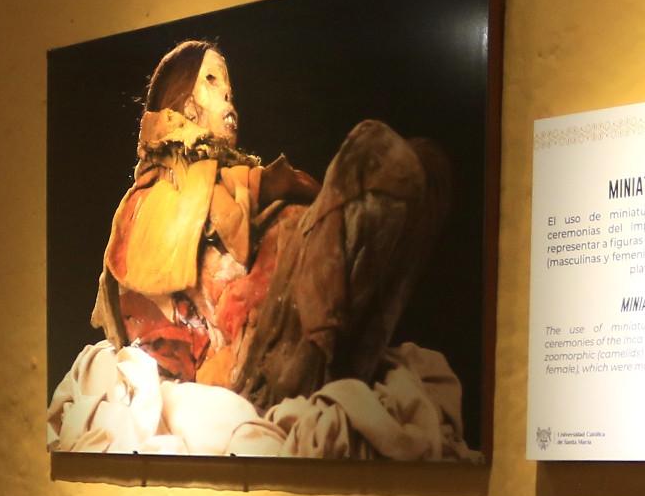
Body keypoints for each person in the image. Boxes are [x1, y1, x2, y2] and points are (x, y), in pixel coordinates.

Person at [89, 40, 452, 416]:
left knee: (427, 164)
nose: (227, 92)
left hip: (293, 316)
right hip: (256, 357)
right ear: (184, 104)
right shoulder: (154, 200)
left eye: (227, 85)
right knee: (372, 150)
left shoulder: (243, 185)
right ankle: (330, 368)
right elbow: (162, 334)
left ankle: (348, 363)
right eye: (211, 80)